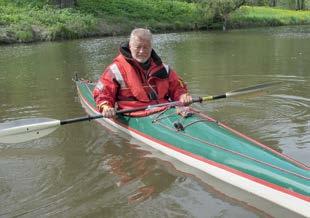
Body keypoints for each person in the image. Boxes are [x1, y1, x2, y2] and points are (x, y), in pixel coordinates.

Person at [93, 28, 192, 118]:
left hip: (165, 110)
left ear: (151, 47)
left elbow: (177, 88)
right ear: (130, 46)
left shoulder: (164, 68)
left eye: (146, 47)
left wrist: (182, 96)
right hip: (135, 114)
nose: (142, 51)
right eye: (138, 47)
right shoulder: (115, 69)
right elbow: (102, 93)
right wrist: (105, 107)